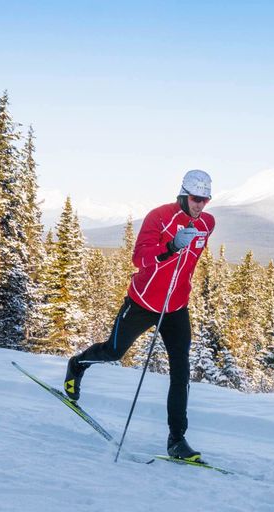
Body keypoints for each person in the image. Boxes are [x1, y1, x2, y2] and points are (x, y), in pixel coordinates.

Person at [64, 169, 215, 461]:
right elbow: (140, 258)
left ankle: (176, 440)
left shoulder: (208, 223)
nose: (200, 205)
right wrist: (171, 247)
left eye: (205, 200)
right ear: (183, 194)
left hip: (176, 306)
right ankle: (77, 364)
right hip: (143, 302)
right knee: (113, 352)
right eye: (196, 198)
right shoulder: (159, 217)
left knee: (181, 372)